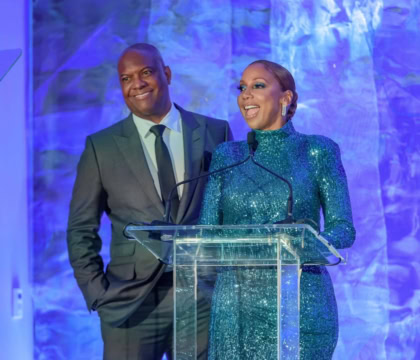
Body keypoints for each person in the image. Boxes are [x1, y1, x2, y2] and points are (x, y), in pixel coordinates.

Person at [67, 43, 232, 360]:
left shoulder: (215, 132)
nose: (136, 84)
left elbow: (230, 213)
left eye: (145, 72)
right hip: (130, 305)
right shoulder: (101, 147)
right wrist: (98, 294)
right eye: (125, 78)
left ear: (166, 73)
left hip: (202, 298)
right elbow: (80, 229)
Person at [198, 60, 356, 359]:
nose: (246, 94)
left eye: (258, 85)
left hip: (300, 302)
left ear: (286, 98)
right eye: (242, 87)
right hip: (236, 308)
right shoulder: (227, 155)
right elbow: (207, 232)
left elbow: (344, 228)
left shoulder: (317, 150)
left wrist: (303, 242)